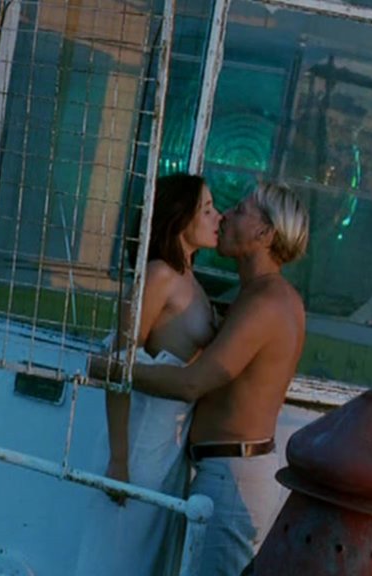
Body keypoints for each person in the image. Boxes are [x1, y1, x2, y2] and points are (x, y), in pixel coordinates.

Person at [99, 181, 310, 576]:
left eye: (240, 211)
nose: (226, 216)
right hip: (222, 470)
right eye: (212, 209)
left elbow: (193, 383)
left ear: (265, 233)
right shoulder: (257, 295)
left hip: (233, 477)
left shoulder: (266, 302)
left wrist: (112, 370)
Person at [75, 173, 221, 576]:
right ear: (179, 218)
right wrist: (119, 459)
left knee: (145, 563)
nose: (219, 217)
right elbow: (120, 363)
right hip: (138, 444)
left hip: (168, 449)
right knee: (115, 558)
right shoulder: (159, 275)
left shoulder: (189, 279)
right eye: (207, 210)